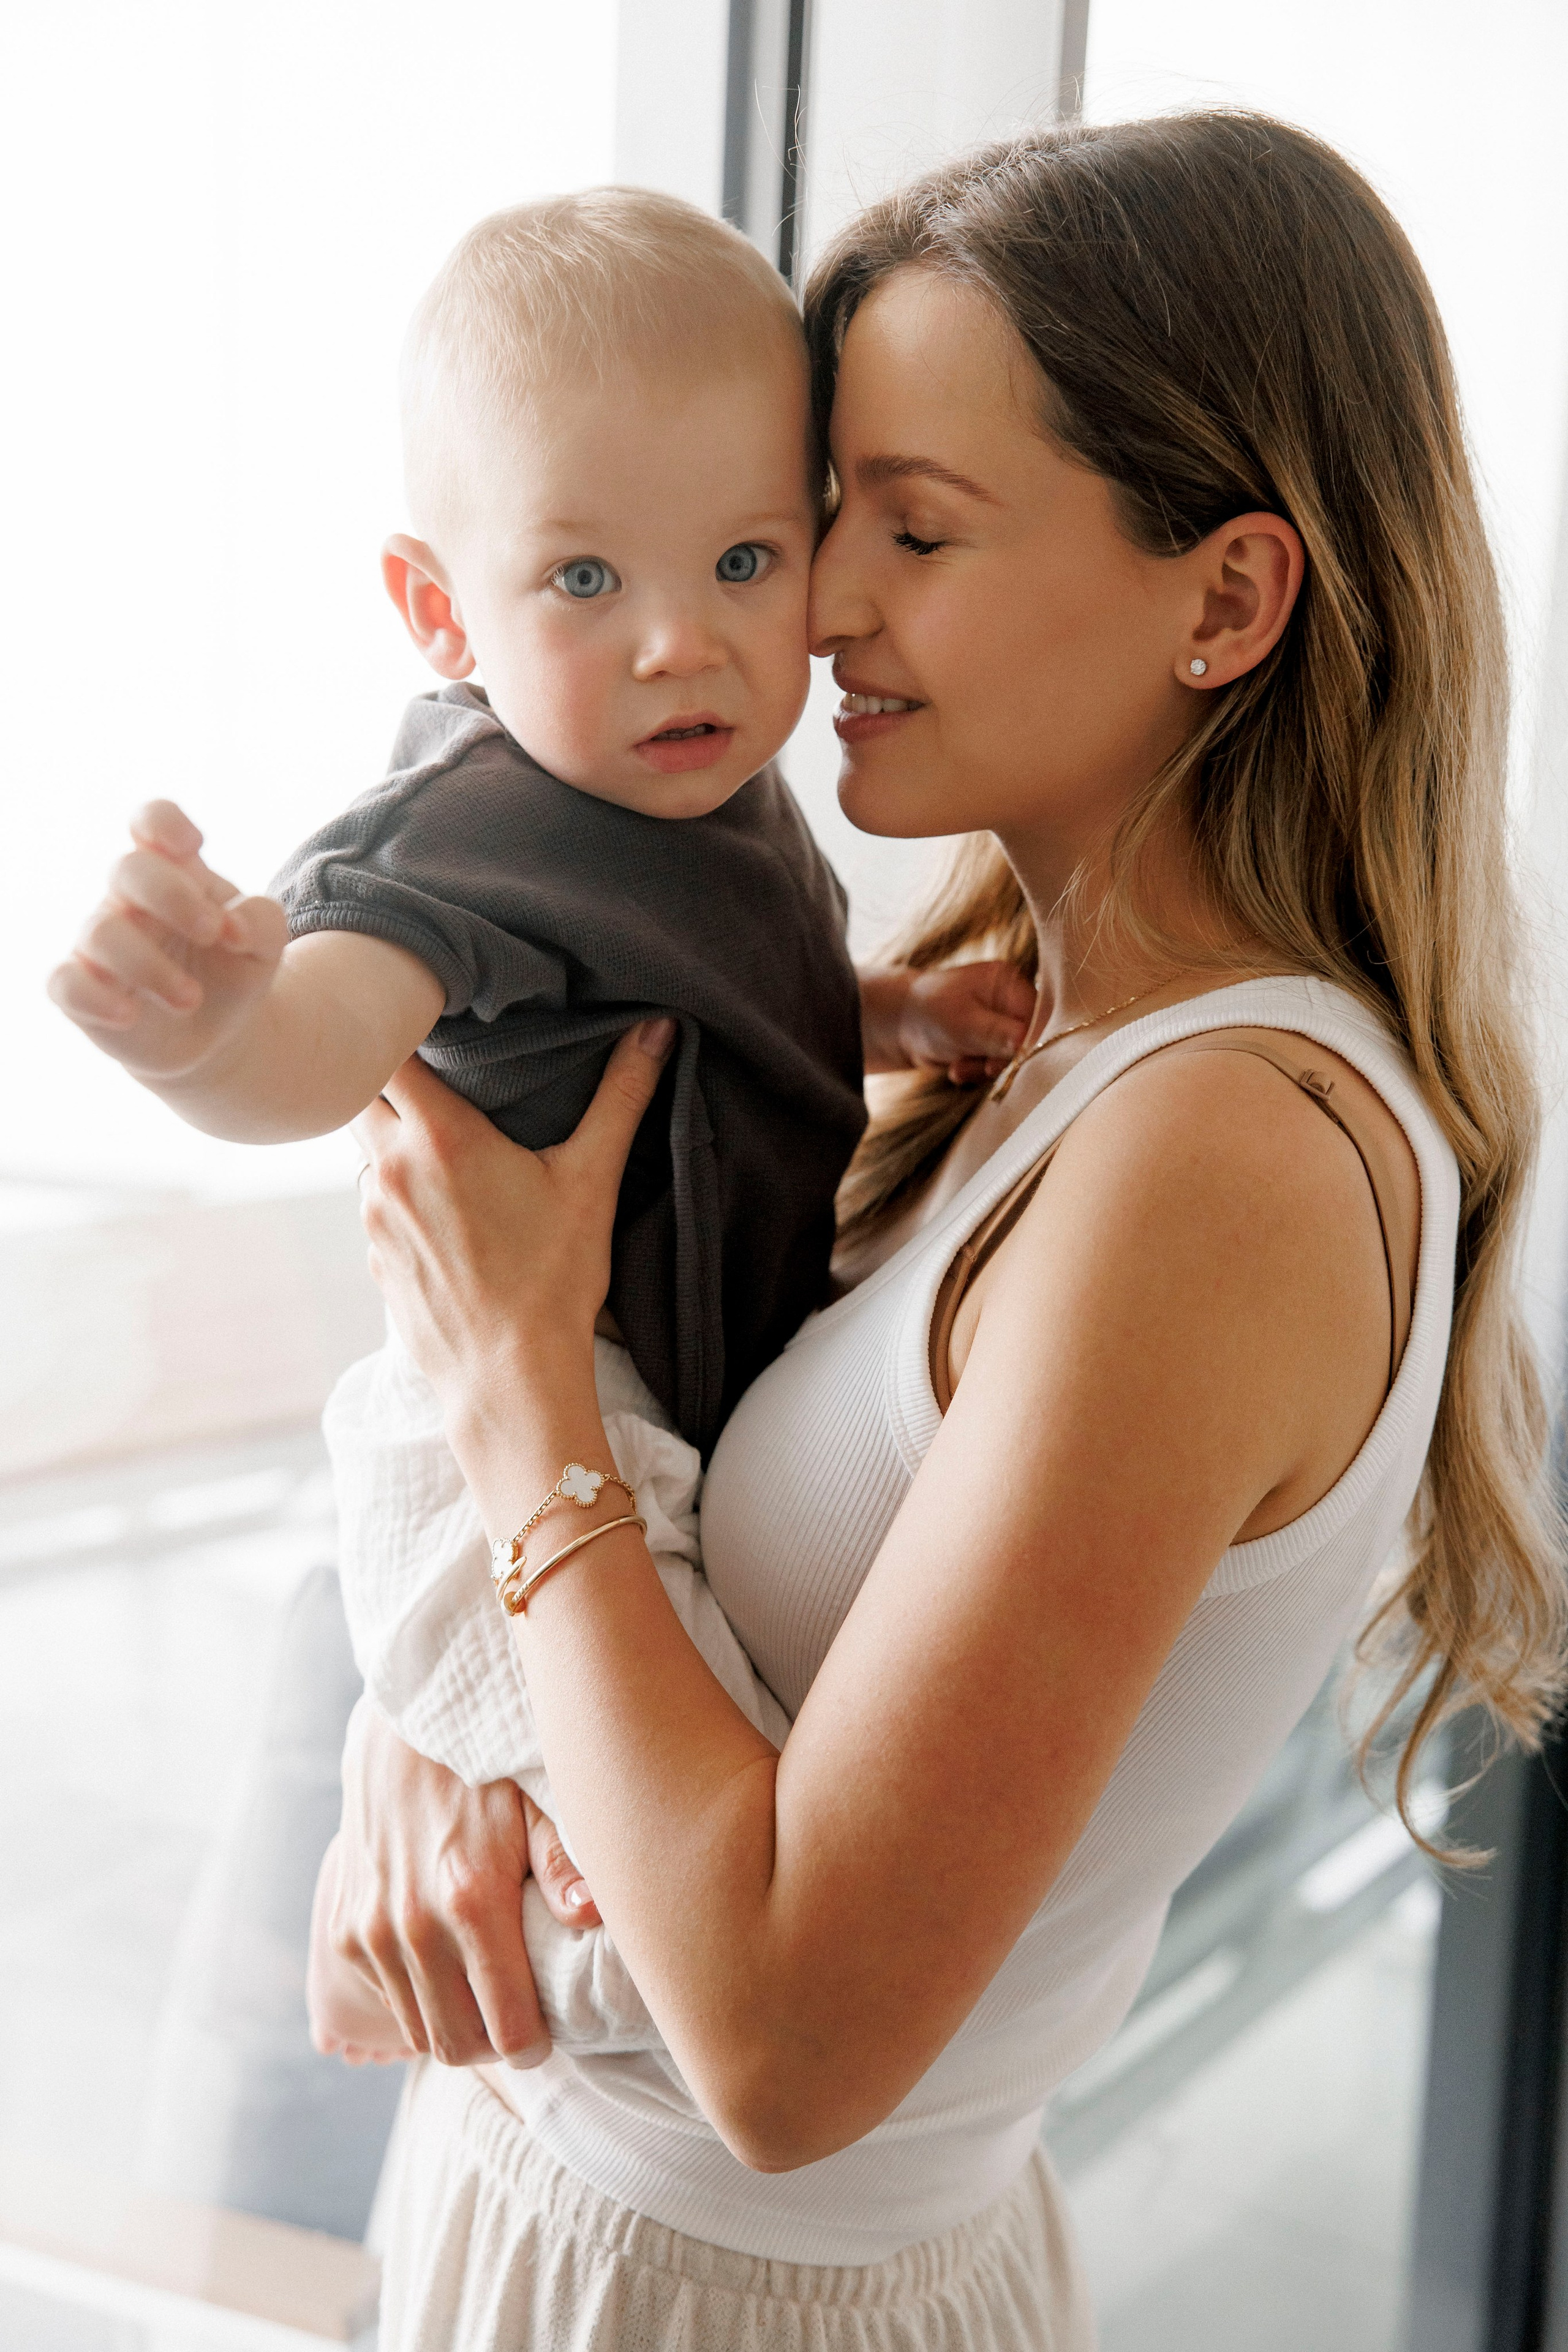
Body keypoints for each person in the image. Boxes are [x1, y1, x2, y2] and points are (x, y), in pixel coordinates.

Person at [328, 113, 1567, 2350]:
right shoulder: (1045, 1043)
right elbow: (705, 1548)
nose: (821, 607)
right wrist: (434, 1737)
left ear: (1228, 597)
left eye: (911, 527)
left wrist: (514, 1398)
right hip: (587, 2215)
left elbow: (791, 2051)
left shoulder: (1221, 1167)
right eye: (826, 524)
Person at [47, 192, 1022, 2060]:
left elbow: (728, 1002)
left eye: (744, 561)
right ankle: (556, 1879)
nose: (683, 645)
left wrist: (891, 1015)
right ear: (440, 609)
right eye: (586, 582)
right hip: (519, 1416)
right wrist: (201, 1036)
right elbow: (324, 1053)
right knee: (689, 1789)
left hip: (627, 1401)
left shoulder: (716, 796)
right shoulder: (467, 825)